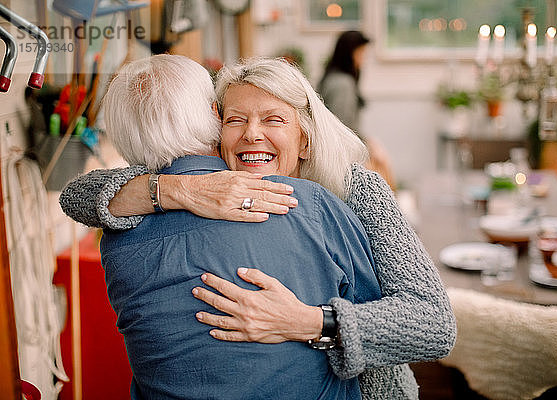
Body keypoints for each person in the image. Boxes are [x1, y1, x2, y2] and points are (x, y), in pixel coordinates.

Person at [60, 57, 456, 399]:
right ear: (215, 129)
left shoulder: (354, 191)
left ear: (305, 138)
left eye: (273, 120)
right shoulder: (207, 190)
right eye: (236, 119)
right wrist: (179, 188)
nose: (251, 133)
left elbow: (434, 324)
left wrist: (306, 321)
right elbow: (76, 196)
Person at [318, 30, 395, 188]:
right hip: (344, 158)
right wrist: (370, 147)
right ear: (350, 54)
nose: (364, 59)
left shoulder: (333, 78)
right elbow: (343, 126)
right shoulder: (342, 85)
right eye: (361, 53)